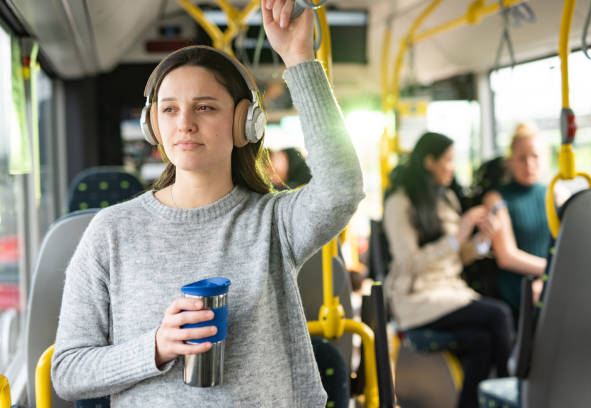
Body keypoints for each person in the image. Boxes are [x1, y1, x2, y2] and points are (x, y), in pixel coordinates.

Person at [51, 1, 364, 406]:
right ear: (154, 127)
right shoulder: (112, 231)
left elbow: (342, 187)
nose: (185, 122)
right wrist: (157, 347)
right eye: (170, 109)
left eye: (205, 107)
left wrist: (299, 58)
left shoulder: (272, 222)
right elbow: (68, 372)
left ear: (244, 124)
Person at [383, 132, 513, 408]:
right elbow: (409, 263)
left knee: (482, 341)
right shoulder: (399, 203)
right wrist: (457, 236)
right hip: (418, 299)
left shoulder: (447, 200)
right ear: (430, 161)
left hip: (450, 293)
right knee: (499, 314)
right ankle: (508, 396)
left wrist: (480, 242)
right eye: (449, 160)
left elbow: (453, 258)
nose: (453, 167)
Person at [483, 124, 549, 318]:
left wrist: (547, 278)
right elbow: (507, 256)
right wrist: (550, 271)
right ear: (510, 161)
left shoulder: (555, 194)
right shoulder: (496, 198)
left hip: (549, 279)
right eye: (522, 158)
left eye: (535, 157)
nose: (529, 165)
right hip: (518, 285)